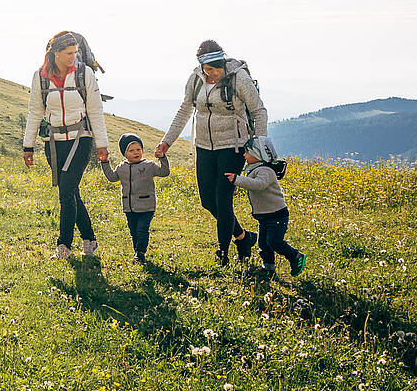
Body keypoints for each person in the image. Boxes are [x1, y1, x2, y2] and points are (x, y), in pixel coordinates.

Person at [155, 39, 267, 266]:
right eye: (207, 70)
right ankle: (244, 238)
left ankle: (223, 253)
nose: (211, 75)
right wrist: (167, 142)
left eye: (214, 70)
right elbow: (185, 109)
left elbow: (259, 111)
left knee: (223, 198)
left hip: (233, 146)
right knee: (207, 201)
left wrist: (261, 149)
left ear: (223, 64)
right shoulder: (196, 79)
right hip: (204, 146)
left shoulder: (239, 78)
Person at [23, 31, 110, 258]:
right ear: (55, 53)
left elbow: (95, 110)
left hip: (81, 139)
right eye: (69, 53)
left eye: (75, 52)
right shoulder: (40, 77)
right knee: (70, 191)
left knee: (67, 190)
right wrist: (28, 146)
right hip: (53, 142)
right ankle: (90, 240)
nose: (73, 57)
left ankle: (64, 246)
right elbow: (35, 111)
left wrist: (102, 145)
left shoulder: (85, 74)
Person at [227, 136, 305, 275]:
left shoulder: (265, 171)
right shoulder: (254, 168)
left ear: (258, 154)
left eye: (247, 152)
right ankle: (268, 267)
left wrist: (237, 179)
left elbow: (259, 185)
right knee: (263, 244)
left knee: (274, 242)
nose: (244, 155)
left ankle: (295, 256)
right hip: (264, 216)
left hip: (276, 215)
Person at [100, 133, 170, 263]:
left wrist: (163, 158)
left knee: (142, 230)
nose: (136, 152)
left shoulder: (149, 166)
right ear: (124, 154)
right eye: (131, 150)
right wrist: (104, 162)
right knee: (134, 232)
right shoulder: (122, 167)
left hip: (146, 206)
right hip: (129, 207)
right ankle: (137, 252)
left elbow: (164, 172)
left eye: (138, 149)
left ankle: (140, 253)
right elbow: (111, 177)